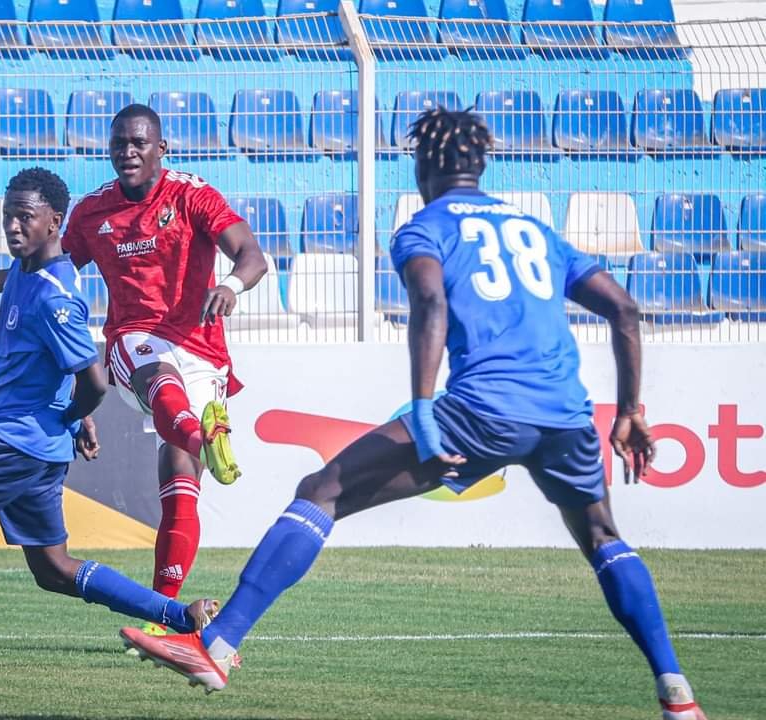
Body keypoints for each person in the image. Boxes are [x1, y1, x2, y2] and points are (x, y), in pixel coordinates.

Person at [119, 109, 709, 720]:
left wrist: (425, 410)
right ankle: (677, 692)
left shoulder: (424, 227)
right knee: (603, 537)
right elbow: (625, 311)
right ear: (480, 164)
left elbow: (429, 301)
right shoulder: (535, 228)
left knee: (323, 490)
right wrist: (632, 410)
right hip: (564, 411)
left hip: (481, 408)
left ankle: (216, 644)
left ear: (425, 165)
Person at [0, 168, 219, 673]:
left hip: (8, 441)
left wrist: (74, 418)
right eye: (7, 215)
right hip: (37, 452)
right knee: (54, 569)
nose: (12, 226)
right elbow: (11, 284)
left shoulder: (57, 297)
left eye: (24, 218)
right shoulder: (28, 270)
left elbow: (94, 381)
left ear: (55, 222)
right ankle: (178, 616)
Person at [62, 104, 268, 636]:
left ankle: (162, 615)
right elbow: (46, 272)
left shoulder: (191, 194)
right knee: (158, 381)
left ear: (161, 148)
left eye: (137, 143)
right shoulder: (92, 213)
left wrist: (230, 285)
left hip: (201, 346)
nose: (126, 152)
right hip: (134, 341)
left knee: (179, 485)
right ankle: (205, 431)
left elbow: (251, 254)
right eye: (118, 145)